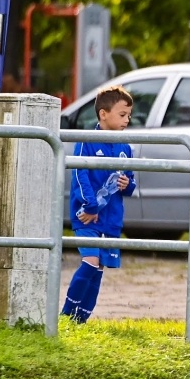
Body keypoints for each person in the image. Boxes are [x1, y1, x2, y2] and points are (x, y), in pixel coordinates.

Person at [62, 85, 138, 323]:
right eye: (122, 115)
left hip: (111, 220)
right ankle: (67, 313)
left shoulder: (125, 146)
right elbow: (79, 175)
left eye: (129, 116)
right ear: (103, 114)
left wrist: (128, 184)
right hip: (86, 216)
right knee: (90, 261)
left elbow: (132, 182)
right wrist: (91, 207)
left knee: (99, 268)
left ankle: (81, 319)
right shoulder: (87, 140)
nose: (127, 120)